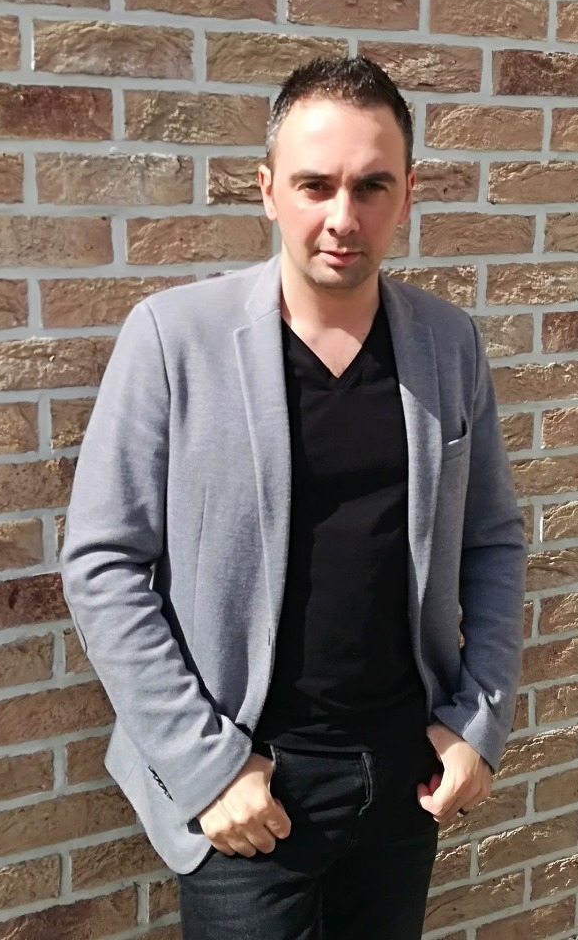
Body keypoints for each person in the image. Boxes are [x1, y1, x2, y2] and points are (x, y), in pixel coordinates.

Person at [61, 56, 526, 939]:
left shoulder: (447, 343)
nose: (342, 218)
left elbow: (492, 541)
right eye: (315, 185)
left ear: (407, 195)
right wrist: (206, 769)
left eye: (371, 186)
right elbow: (102, 563)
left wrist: (479, 720)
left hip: (403, 779)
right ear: (267, 190)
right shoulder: (173, 338)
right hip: (250, 788)